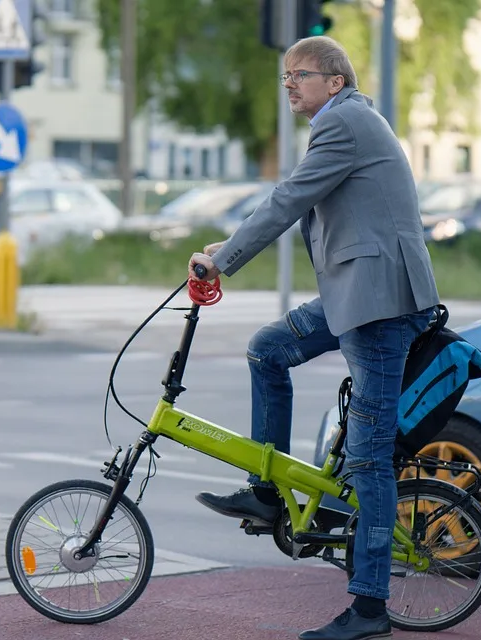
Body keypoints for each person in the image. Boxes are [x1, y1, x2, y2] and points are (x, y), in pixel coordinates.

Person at [187, 36, 438, 640]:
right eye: (285, 78)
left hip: (381, 307)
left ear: (333, 79)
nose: (290, 85)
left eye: (298, 75)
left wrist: (226, 258)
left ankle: (371, 607)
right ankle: (269, 491)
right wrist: (230, 248)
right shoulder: (344, 121)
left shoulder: (345, 123)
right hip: (356, 296)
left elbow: (288, 198)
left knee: (368, 459)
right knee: (267, 348)